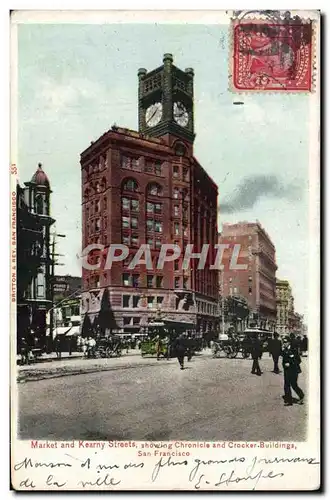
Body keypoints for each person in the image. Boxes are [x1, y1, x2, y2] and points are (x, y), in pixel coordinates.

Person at [281, 337, 304, 406]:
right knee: (286, 385)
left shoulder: (294, 350)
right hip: (287, 370)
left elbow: (298, 361)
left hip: (294, 370)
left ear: (289, 342)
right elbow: (284, 361)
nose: (284, 344)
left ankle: (301, 395)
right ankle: (289, 400)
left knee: (294, 385)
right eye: (283, 342)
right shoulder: (284, 350)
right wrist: (284, 366)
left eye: (285, 342)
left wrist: (290, 363)